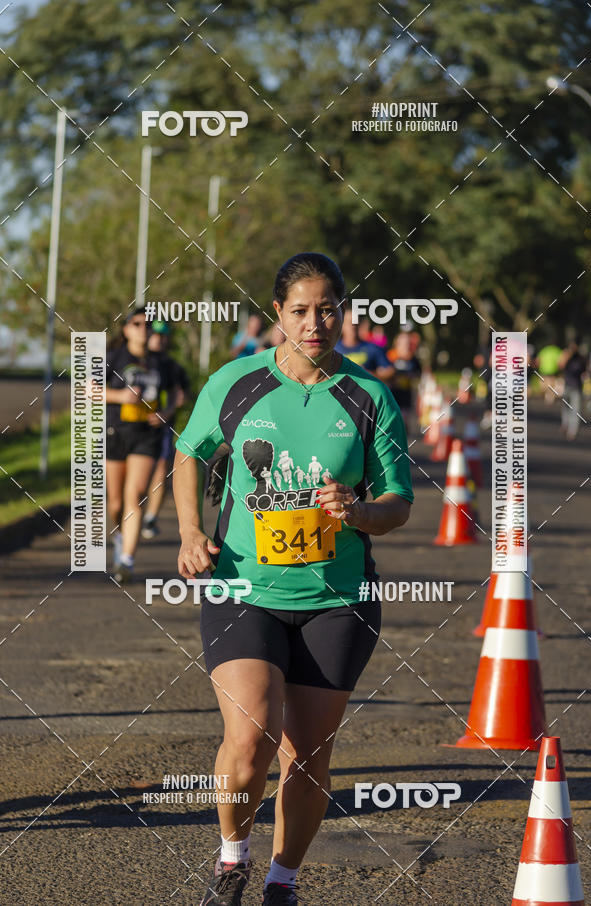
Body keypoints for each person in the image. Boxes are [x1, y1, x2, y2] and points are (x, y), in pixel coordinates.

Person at [173, 252, 413, 906]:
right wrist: (192, 534)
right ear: (277, 313)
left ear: (344, 312)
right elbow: (189, 453)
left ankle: (283, 882)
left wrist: (360, 511)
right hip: (243, 589)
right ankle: (232, 859)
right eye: (301, 310)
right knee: (248, 740)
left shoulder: (369, 397)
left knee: (305, 757)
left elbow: (399, 502)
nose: (316, 322)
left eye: (328, 308)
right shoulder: (237, 382)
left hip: (338, 600)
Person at [105, 311, 175, 583]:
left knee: (134, 494)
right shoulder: (113, 359)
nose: (143, 329)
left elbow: (175, 397)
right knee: (116, 503)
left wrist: (165, 415)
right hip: (116, 432)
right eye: (137, 324)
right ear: (126, 330)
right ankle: (121, 536)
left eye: (148, 325)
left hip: (147, 435)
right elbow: (88, 391)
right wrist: (120, 396)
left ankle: (126, 561)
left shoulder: (162, 363)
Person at [141, 320, 190, 539]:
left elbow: (182, 395)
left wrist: (167, 412)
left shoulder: (172, 367)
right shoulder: (135, 360)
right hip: (131, 428)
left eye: (163, 335)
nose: (159, 339)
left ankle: (150, 518)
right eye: (155, 334)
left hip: (162, 427)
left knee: (161, 469)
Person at [335, 309, 394, 382]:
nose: (352, 326)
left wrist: (368, 374)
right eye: (348, 322)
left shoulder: (373, 348)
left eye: (355, 322)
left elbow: (390, 371)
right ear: (341, 325)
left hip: (366, 391)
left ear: (360, 324)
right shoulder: (334, 350)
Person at [387, 330, 421, 432]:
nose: (405, 345)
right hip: (392, 391)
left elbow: (418, 374)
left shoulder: (413, 359)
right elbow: (384, 371)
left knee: (403, 421)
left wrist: (411, 376)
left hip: (406, 393)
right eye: (403, 342)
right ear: (397, 343)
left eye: (408, 343)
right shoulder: (391, 356)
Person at [559, 339, 587, 440]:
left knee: (576, 409)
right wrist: (567, 355)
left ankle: (572, 431)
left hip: (577, 386)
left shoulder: (581, 358)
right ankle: (565, 424)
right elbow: (560, 365)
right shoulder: (566, 356)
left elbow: (585, 370)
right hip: (567, 385)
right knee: (566, 407)